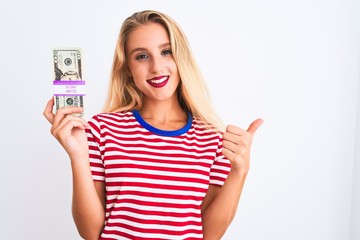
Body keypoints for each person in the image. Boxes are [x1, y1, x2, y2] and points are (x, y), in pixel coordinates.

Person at [44, 10, 263, 240]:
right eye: (142, 56)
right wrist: (78, 157)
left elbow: (209, 235)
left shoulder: (213, 140)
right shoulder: (102, 130)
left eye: (166, 52)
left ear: (181, 57)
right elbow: (91, 234)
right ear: (128, 68)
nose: (157, 67)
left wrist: (240, 171)